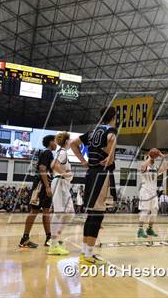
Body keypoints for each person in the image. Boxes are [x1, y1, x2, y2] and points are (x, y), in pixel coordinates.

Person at [70, 106, 118, 266]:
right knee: (97, 216)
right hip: (101, 175)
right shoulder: (111, 131)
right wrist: (109, 159)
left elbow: (73, 144)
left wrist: (83, 160)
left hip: (90, 173)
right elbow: (110, 156)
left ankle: (85, 251)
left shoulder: (92, 132)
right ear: (114, 117)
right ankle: (89, 254)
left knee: (91, 215)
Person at [18, 135, 57, 248]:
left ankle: (48, 238)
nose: (56, 144)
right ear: (50, 142)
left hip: (45, 185)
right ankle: (24, 239)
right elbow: (42, 169)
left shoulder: (49, 153)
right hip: (41, 185)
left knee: (46, 212)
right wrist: (47, 186)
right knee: (34, 211)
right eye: (55, 141)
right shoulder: (47, 153)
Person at [47, 132, 75, 256]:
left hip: (63, 184)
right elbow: (53, 165)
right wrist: (64, 173)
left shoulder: (64, 153)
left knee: (70, 213)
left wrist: (67, 173)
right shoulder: (62, 152)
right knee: (58, 213)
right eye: (70, 139)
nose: (71, 141)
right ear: (66, 141)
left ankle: (56, 238)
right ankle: (53, 245)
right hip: (59, 182)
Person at [137, 150, 168, 238]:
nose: (154, 158)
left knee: (155, 211)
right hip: (145, 192)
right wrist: (150, 156)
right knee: (144, 211)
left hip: (153, 193)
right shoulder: (145, 166)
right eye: (153, 157)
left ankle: (149, 229)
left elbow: (165, 168)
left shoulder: (155, 168)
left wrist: (163, 157)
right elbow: (143, 165)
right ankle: (140, 229)